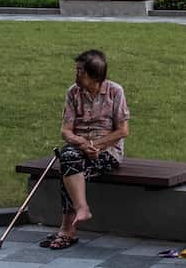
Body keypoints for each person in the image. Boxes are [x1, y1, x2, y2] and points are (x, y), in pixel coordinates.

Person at [42, 50, 130, 251]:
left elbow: (123, 130)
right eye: (76, 70)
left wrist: (97, 145)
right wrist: (82, 143)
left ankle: (67, 230)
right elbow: (65, 130)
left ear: (95, 75)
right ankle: (80, 211)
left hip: (108, 152)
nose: (76, 74)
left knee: (69, 165)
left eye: (80, 71)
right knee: (70, 158)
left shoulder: (115, 92)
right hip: (79, 148)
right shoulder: (73, 92)